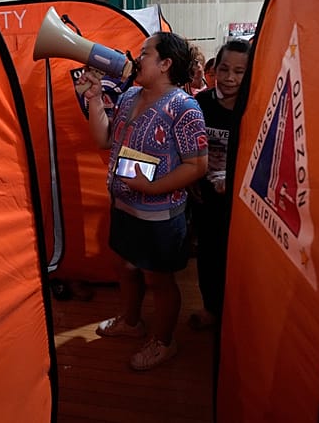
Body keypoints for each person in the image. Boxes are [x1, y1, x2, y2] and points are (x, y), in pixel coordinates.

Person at [78, 32, 208, 371]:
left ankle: (164, 341)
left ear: (165, 64)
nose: (137, 58)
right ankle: (131, 322)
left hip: (160, 215)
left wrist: (154, 188)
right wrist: (94, 99)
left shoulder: (185, 107)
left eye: (144, 53)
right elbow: (104, 139)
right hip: (123, 205)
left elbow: (198, 165)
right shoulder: (131, 95)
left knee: (160, 280)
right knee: (124, 266)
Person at [188, 38, 251, 330]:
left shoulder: (254, 107)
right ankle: (211, 309)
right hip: (205, 199)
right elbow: (185, 148)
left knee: (240, 260)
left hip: (242, 202)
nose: (229, 78)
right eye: (224, 69)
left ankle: (239, 316)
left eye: (239, 72)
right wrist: (190, 181)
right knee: (209, 256)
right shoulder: (199, 104)